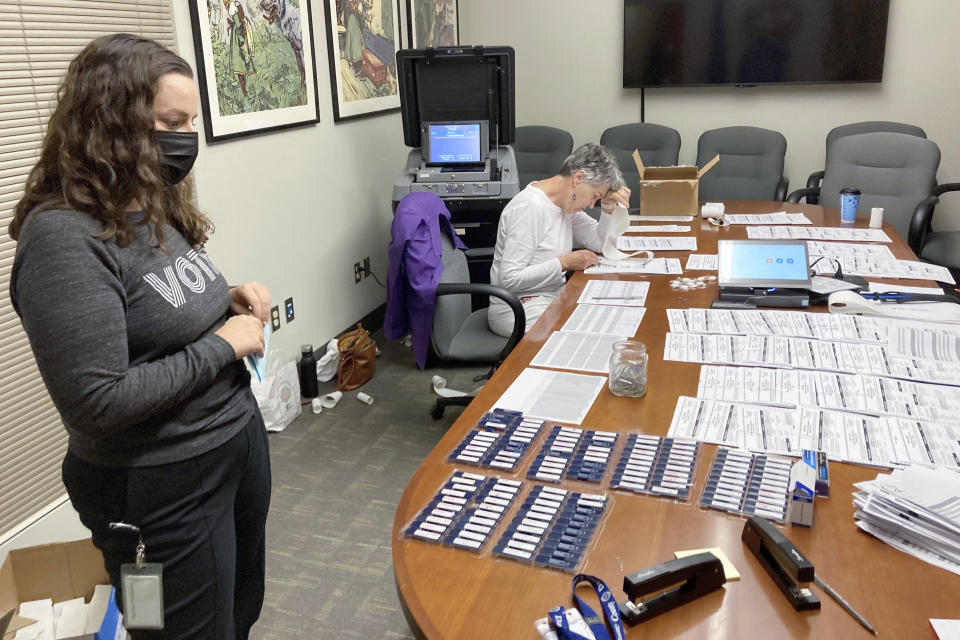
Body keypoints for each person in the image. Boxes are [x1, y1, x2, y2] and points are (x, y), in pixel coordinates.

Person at [8, 34, 271, 639]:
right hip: (158, 487)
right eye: (170, 122)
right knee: (164, 626)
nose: (185, 139)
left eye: (191, 122)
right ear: (112, 123)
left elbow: (156, 309)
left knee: (237, 611)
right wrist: (224, 343)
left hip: (231, 443)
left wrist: (223, 303)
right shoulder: (63, 240)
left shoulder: (146, 204)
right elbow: (98, 401)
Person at [487, 143, 631, 337]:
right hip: (518, 307)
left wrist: (607, 207)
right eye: (594, 196)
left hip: (552, 298)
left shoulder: (565, 204)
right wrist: (564, 263)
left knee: (613, 316)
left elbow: (599, 243)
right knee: (592, 332)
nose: (590, 205)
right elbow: (510, 279)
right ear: (578, 178)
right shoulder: (530, 208)